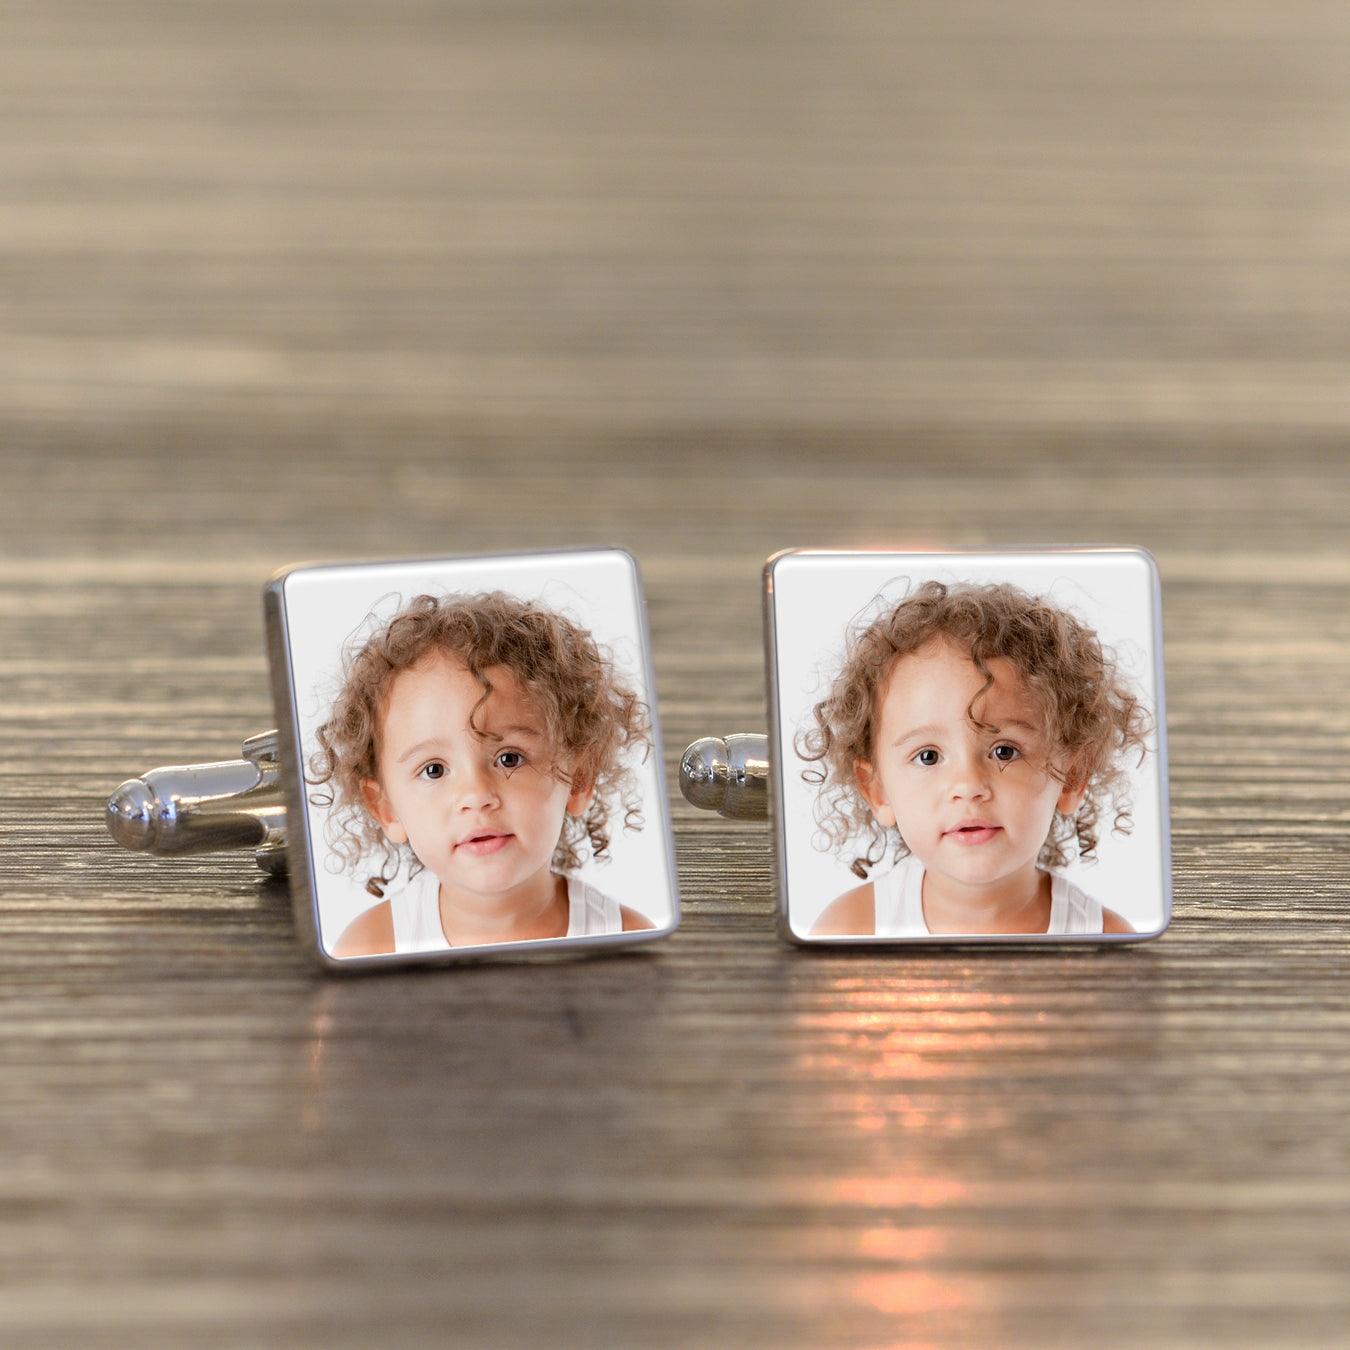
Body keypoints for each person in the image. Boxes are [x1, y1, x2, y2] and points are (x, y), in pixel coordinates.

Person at [309, 591, 654, 956]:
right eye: (434, 770)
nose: (476, 794)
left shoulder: (624, 939)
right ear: (387, 810)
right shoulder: (370, 947)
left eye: (509, 759)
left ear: (579, 778)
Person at [800, 580, 1150, 937]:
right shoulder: (851, 931)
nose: (968, 786)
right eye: (928, 756)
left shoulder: (1104, 940)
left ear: (1072, 776)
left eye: (1004, 752)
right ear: (878, 792)